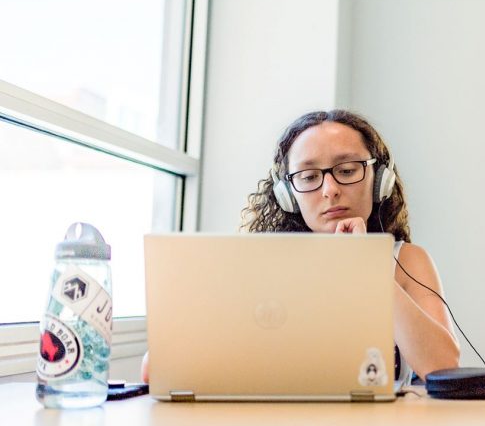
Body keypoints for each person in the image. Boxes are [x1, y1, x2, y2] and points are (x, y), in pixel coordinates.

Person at [141, 109, 460, 385]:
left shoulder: (407, 261)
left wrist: (365, 265)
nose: (330, 190)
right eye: (309, 177)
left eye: (347, 171)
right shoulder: (254, 265)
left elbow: (444, 367)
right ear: (288, 195)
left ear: (379, 180)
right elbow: (154, 370)